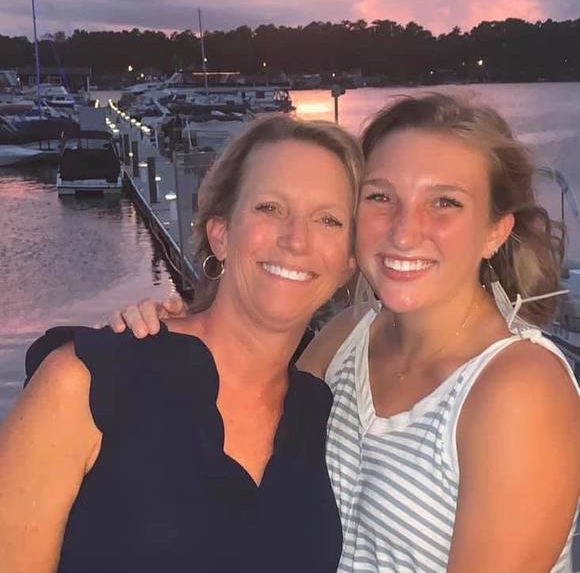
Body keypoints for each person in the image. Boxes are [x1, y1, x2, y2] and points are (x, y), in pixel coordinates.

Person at [110, 94, 580, 572]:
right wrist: (175, 334)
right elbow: (241, 430)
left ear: (495, 231)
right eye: (381, 197)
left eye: (445, 202)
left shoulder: (520, 390)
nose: (404, 232)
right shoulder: (348, 337)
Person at [0, 114, 364, 573]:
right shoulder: (88, 382)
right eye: (270, 208)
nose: (296, 239)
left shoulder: (323, 419)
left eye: (329, 219)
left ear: (349, 263)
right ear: (220, 234)